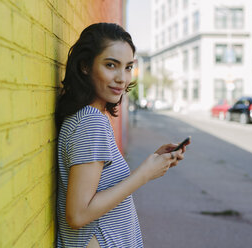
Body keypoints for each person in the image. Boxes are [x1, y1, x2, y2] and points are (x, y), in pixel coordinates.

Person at [55, 23, 188, 247]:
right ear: (85, 66)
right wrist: (144, 174)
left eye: (128, 67)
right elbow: (77, 214)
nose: (122, 78)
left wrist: (153, 161)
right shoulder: (90, 122)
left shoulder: (89, 118)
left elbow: (100, 187)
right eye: (110, 65)